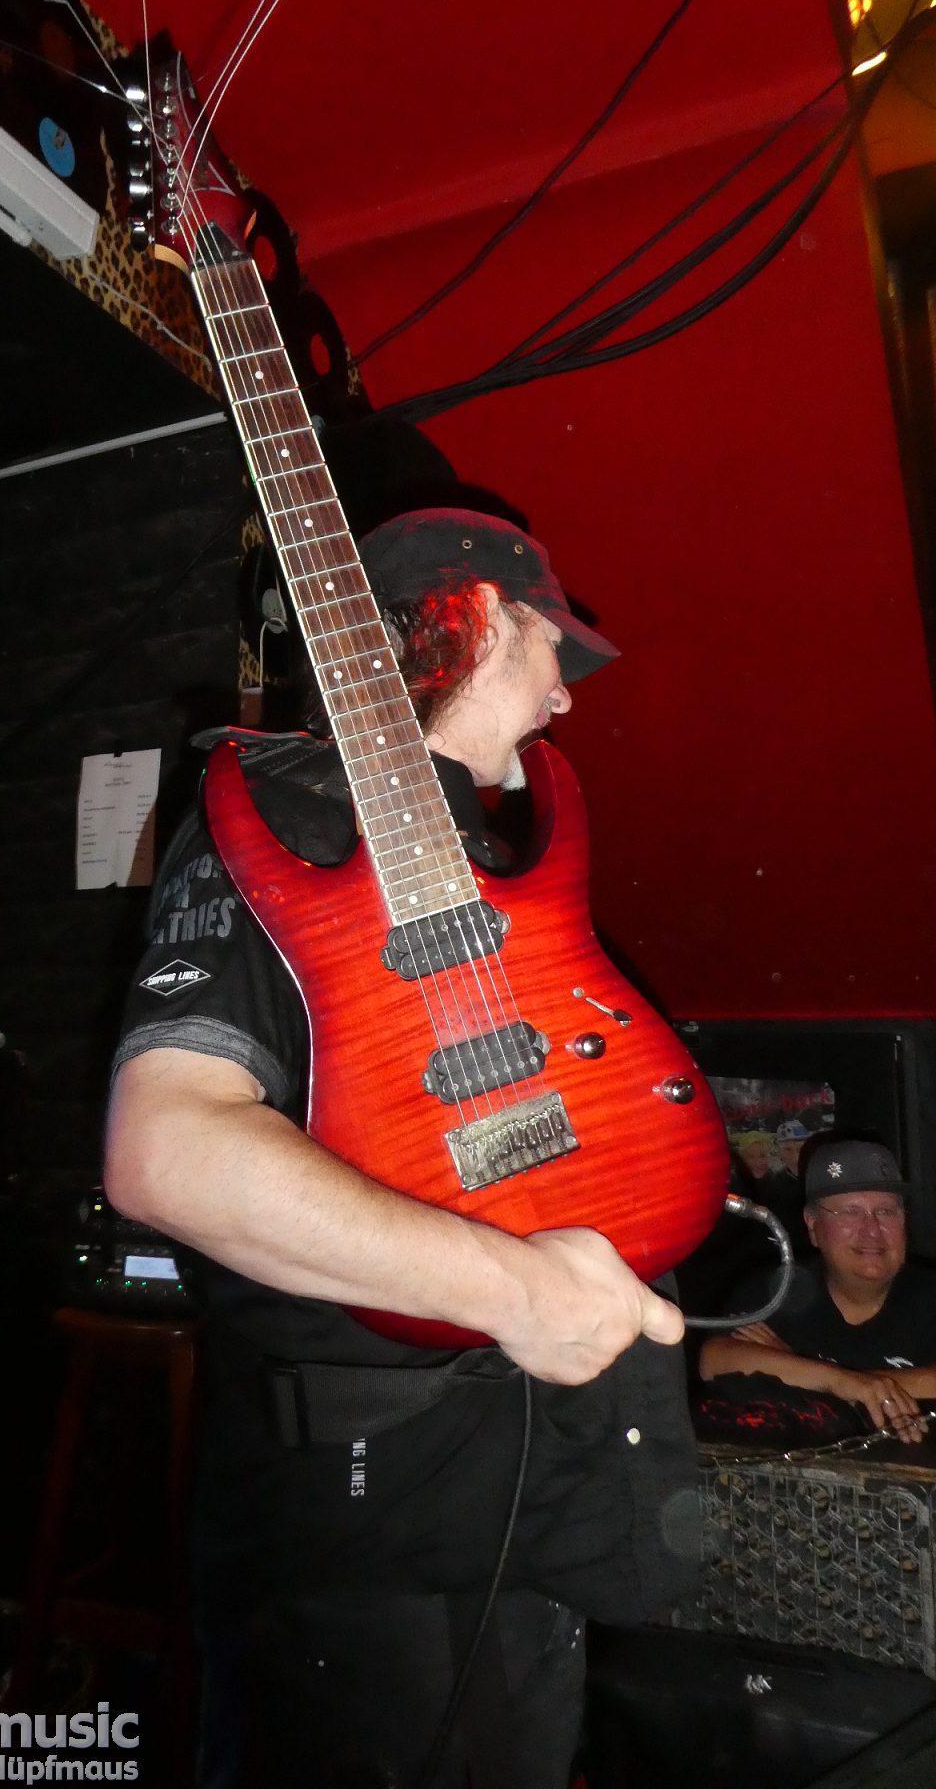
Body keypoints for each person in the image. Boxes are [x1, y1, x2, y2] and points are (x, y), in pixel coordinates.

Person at [105, 507, 703, 1789]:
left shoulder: (494, 841)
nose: (564, 695)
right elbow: (166, 1149)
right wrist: (520, 1291)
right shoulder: (277, 818)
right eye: (549, 645)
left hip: (537, 1478)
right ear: (475, 615)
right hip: (371, 1535)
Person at [699, 1137, 936, 1443]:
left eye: (887, 1211)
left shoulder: (928, 1294)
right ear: (813, 1226)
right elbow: (715, 1360)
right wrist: (841, 1382)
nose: (872, 1230)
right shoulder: (779, 1290)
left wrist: (802, 1372)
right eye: (850, 1212)